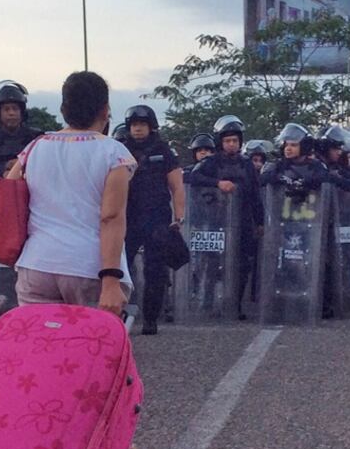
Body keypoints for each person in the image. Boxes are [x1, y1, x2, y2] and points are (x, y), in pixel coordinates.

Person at [0, 70, 135, 317]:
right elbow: (111, 218)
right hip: (88, 268)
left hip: (36, 266)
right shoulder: (115, 153)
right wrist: (111, 281)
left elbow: (6, 211)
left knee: (40, 349)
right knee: (87, 349)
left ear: (63, 110)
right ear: (105, 110)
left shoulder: (34, 148)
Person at [189, 115, 265, 318]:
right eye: (227, 140)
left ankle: (236, 305)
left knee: (242, 265)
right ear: (220, 142)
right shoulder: (211, 162)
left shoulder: (247, 164)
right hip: (215, 221)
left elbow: (255, 194)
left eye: (235, 140)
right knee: (211, 263)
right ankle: (207, 303)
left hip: (242, 222)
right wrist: (217, 183)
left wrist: (260, 222)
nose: (231, 144)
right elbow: (193, 177)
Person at [119, 105, 185, 335]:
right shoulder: (120, 149)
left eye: (142, 124)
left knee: (155, 271)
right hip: (127, 218)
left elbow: (176, 186)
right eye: (134, 124)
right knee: (121, 269)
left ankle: (150, 319)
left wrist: (179, 216)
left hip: (157, 218)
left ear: (151, 126)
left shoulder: (163, 150)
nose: (138, 128)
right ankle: (119, 314)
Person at [0, 80, 42, 180]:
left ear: (22, 112)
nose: (11, 113)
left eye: (15, 109)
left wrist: (22, 165)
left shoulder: (36, 138)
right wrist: (4, 170)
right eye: (6, 109)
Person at [259, 123, 329, 191]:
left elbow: (326, 179)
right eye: (286, 145)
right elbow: (262, 180)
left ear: (304, 147)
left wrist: (307, 182)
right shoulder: (278, 165)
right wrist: (279, 178)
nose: (288, 148)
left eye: (293, 145)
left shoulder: (316, 165)